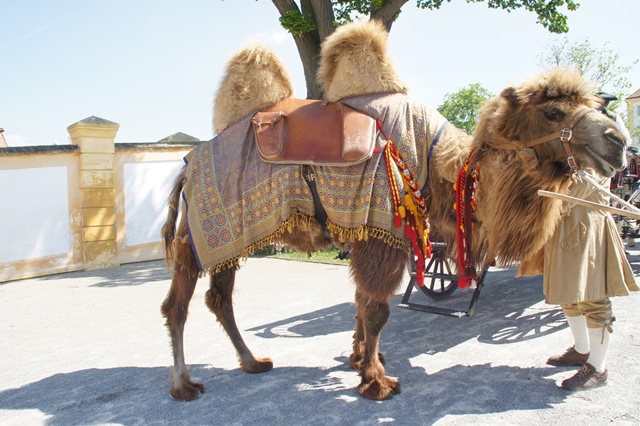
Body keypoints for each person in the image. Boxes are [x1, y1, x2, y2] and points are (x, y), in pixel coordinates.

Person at [524, 166, 639, 391]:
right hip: (565, 230)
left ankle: (598, 368)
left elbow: (577, 189)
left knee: (593, 299)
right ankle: (581, 349)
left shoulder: (594, 153)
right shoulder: (569, 148)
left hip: (588, 232)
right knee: (568, 294)